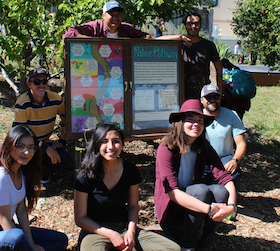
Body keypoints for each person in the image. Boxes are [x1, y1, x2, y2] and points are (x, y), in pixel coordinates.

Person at [74, 123, 181, 251]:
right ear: (97, 145)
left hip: (124, 227)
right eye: (104, 142)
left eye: (116, 141)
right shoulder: (85, 175)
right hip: (96, 231)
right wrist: (110, 234)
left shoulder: (130, 170)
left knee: (172, 248)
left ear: (122, 144)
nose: (110, 147)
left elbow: (133, 206)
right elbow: (80, 219)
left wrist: (131, 231)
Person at [155, 99, 236, 251]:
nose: (196, 124)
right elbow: (172, 192)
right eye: (190, 119)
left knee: (220, 191)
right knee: (201, 190)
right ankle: (188, 245)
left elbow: (223, 176)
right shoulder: (166, 148)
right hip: (172, 206)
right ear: (180, 122)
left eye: (200, 120)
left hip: (195, 201)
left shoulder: (203, 147)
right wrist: (209, 209)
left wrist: (231, 206)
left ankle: (205, 243)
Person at [0, 125, 68, 251]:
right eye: (21, 146)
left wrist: (31, 243)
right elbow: (4, 219)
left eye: (31, 148)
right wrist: (27, 244)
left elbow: (21, 209)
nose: (26, 152)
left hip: (10, 232)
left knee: (60, 239)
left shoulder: (21, 172)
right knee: (17, 237)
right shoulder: (0, 176)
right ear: (10, 145)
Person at [13, 67, 70, 184]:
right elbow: (20, 133)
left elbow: (66, 119)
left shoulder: (56, 99)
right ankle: (27, 174)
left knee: (64, 157)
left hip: (43, 142)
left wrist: (62, 140)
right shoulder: (22, 103)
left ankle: (41, 173)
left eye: (44, 81)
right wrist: (45, 147)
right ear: (29, 84)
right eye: (37, 82)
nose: (41, 85)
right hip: (26, 145)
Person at [200, 84, 247, 202]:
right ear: (202, 100)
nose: (212, 100)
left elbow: (241, 143)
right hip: (202, 159)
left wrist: (235, 160)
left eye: (215, 96)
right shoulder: (196, 116)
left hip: (224, 158)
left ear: (220, 98)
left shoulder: (232, 115)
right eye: (208, 97)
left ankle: (229, 200)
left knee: (233, 172)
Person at [63, 0, 152, 39]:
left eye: (118, 14)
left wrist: (130, 43)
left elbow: (147, 37)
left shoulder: (127, 29)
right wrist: (89, 40)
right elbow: (68, 34)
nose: (115, 18)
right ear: (103, 15)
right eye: (112, 15)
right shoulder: (95, 26)